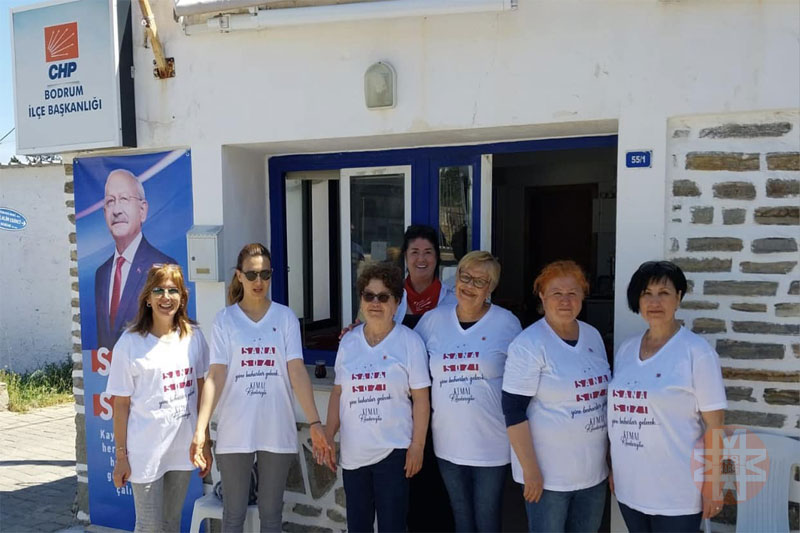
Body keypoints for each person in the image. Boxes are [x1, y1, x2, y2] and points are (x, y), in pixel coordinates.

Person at [190, 243, 330, 533]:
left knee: (271, 515)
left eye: (265, 274)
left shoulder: (285, 317)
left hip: (276, 427)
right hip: (235, 430)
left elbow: (297, 372)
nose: (258, 282)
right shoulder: (225, 320)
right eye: (252, 274)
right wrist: (200, 429)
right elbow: (215, 375)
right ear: (239, 276)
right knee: (233, 515)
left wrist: (315, 421)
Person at [608, 260, 726, 532]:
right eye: (646, 293)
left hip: (677, 492)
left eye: (664, 293)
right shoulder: (626, 349)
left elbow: (715, 426)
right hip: (630, 487)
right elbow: (618, 417)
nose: (654, 301)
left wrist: (714, 484)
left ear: (679, 298)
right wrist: (615, 467)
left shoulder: (696, 352)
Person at [415, 251, 522, 532]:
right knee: (461, 519)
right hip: (448, 443)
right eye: (465, 276)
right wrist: (360, 330)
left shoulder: (507, 323)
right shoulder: (432, 321)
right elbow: (402, 350)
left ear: (491, 288)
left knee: (487, 521)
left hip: (492, 444)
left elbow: (524, 380)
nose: (470, 285)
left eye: (480, 281)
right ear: (456, 277)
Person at [502, 260, 610, 532]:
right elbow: (513, 411)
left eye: (573, 293)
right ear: (542, 296)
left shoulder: (593, 336)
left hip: (592, 474)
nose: (565, 300)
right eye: (556, 293)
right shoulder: (529, 344)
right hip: (549, 479)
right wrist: (531, 471)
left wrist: (610, 461)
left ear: (583, 296)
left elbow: (604, 402)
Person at [323, 262, 431, 533]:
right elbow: (338, 392)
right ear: (360, 300)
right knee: (358, 527)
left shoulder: (410, 343)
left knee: (392, 527)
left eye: (383, 297)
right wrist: (328, 433)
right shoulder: (348, 342)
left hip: (393, 453)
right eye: (368, 295)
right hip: (354, 454)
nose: (375, 303)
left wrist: (417, 446)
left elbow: (421, 399)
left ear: (396, 303)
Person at [106, 264, 210, 533]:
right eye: (159, 290)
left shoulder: (194, 336)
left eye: (173, 290)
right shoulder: (129, 344)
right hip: (145, 453)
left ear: (183, 297)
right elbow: (121, 405)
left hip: (182, 449)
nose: (166, 297)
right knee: (150, 527)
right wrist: (121, 457)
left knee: (171, 524)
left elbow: (201, 392)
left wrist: (204, 442)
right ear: (148, 299)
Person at [95, 169, 176, 349]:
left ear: (142, 210)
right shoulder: (101, 274)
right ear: (104, 212)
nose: (116, 210)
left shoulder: (164, 266)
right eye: (110, 201)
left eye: (124, 199)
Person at [395, 224, 457, 329]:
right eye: (415, 252)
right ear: (405, 256)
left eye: (428, 252)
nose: (421, 259)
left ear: (436, 256)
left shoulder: (453, 300)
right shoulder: (390, 295)